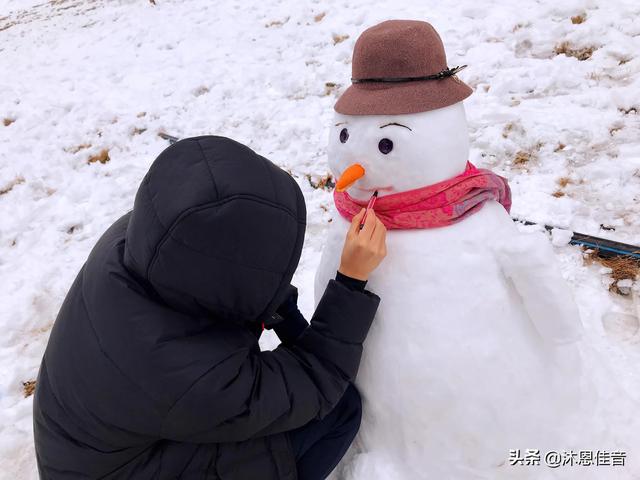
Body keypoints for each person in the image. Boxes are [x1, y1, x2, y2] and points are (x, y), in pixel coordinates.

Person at [33, 135, 387, 479]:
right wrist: (351, 282)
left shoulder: (146, 238)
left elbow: (236, 272)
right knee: (338, 412)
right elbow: (317, 382)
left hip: (92, 448)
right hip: (120, 467)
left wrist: (286, 317)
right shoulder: (190, 374)